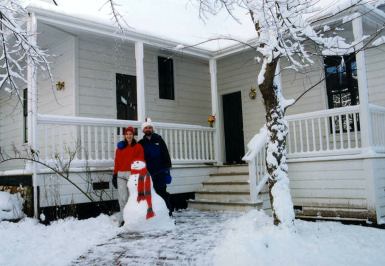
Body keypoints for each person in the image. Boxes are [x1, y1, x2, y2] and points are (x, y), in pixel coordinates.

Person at [139, 118, 173, 216]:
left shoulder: (159, 139)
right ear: (143, 130)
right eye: (146, 128)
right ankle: (155, 215)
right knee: (150, 194)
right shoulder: (141, 143)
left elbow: (165, 154)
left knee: (162, 192)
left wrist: (167, 169)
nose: (148, 129)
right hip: (148, 173)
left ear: (152, 129)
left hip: (160, 172)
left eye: (150, 127)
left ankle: (168, 213)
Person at [112, 126, 144, 218]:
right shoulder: (120, 147)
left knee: (132, 197)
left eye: (130, 134)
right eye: (127, 134)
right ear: (124, 135)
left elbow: (140, 161)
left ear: (133, 135)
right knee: (122, 198)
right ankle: (123, 218)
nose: (129, 136)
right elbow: (117, 162)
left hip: (132, 174)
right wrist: (115, 174)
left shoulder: (138, 147)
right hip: (121, 174)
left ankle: (132, 218)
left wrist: (138, 173)